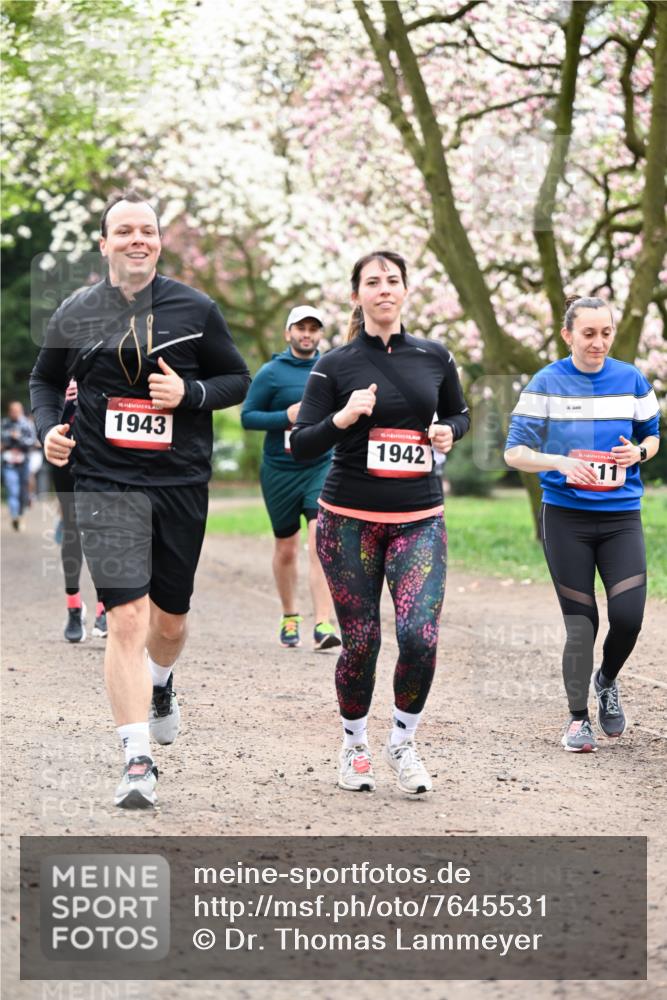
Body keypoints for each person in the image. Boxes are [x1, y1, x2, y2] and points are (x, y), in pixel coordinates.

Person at [30, 189, 250, 808]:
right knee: (126, 618)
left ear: (158, 242)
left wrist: (191, 395)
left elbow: (238, 379)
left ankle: (161, 683)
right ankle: (136, 757)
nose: (137, 240)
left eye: (147, 232)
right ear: (103, 244)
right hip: (104, 481)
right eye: (124, 231)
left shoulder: (196, 309)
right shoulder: (75, 310)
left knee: (169, 621)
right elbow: (45, 378)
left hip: (178, 482)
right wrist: (47, 427)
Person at [290, 250, 470, 794]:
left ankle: (402, 741)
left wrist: (449, 433)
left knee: (420, 636)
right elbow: (301, 445)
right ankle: (354, 745)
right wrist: (344, 417)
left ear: (406, 291)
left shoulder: (435, 357)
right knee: (362, 641)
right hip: (348, 521)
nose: (384, 289)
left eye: (393, 280)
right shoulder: (334, 365)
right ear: (357, 296)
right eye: (373, 282)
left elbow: (460, 413)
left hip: (418, 518)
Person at [504, 295, 660, 753]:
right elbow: (514, 452)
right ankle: (577, 720)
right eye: (588, 333)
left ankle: (606, 679)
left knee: (628, 618)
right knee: (582, 623)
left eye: (605, 333)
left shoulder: (630, 379)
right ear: (567, 334)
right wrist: (560, 461)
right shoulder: (546, 382)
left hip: (620, 518)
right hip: (567, 517)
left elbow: (652, 433)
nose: (598, 342)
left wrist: (640, 452)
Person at [241, 305, 341, 651]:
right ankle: (289, 615)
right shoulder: (271, 373)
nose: (307, 334)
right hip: (280, 471)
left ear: (320, 335)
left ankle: (323, 622)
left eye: (314, 328)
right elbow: (248, 417)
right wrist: (285, 415)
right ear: (288, 333)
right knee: (286, 548)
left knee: (320, 542)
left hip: (320, 466)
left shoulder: (330, 368)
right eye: (301, 328)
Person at [52, 379, 108, 643]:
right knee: (72, 529)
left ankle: (104, 607)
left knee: (103, 529)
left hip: (104, 453)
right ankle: (74, 606)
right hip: (65, 451)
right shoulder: (57, 356)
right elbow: (42, 393)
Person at [1, 401, 36, 531]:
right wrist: (10, 437)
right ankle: (14, 516)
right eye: (12, 411)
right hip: (9, 463)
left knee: (23, 492)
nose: (15, 413)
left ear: (21, 411)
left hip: (23, 463)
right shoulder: (4, 424)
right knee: (12, 489)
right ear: (10, 411)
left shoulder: (27, 424)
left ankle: (21, 515)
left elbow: (32, 441)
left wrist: (18, 438)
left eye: (17, 410)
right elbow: (2, 441)